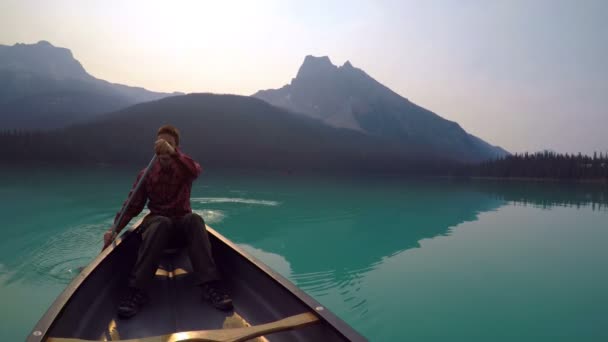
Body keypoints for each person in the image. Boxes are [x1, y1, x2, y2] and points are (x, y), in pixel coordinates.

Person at [103, 125, 233, 319]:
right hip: (157, 224)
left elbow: (195, 171)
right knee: (161, 222)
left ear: (176, 147)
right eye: (160, 144)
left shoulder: (184, 168)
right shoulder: (145, 174)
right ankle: (137, 290)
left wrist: (174, 154)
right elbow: (132, 206)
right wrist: (114, 229)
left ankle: (210, 285)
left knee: (195, 220)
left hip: (181, 225)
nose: (163, 149)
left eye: (169, 145)